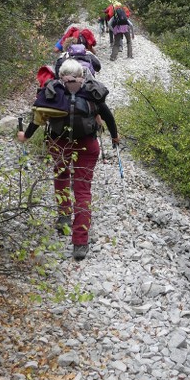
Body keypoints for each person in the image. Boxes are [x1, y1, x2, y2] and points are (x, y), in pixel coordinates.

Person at [18, 59, 119, 261]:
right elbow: (108, 116)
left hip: (59, 144)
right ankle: (80, 243)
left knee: (62, 177)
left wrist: (25, 136)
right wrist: (115, 137)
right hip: (87, 146)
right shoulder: (91, 91)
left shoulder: (52, 91)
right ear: (82, 74)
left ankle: (64, 218)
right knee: (82, 189)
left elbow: (37, 120)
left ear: (60, 74)